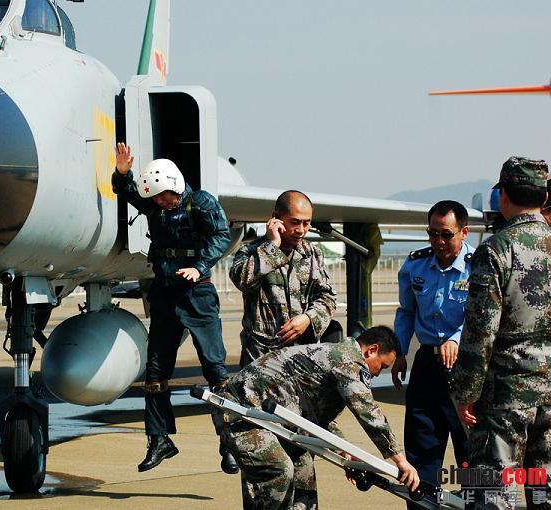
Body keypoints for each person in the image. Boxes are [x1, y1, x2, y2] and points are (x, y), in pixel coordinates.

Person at [112, 143, 238, 474]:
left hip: (197, 294)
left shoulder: (202, 203)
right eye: (154, 198)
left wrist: (200, 265)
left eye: (163, 197)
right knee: (155, 374)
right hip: (166, 294)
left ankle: (231, 442)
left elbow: (220, 235)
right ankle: (159, 440)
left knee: (216, 373)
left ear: (175, 186)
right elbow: (127, 193)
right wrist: (122, 172)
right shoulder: (156, 205)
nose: (159, 203)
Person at [220, 325, 420, 509]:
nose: (378, 373)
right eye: (382, 366)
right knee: (279, 471)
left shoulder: (338, 358)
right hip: (241, 409)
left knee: (303, 474)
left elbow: (319, 419)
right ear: (372, 350)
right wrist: (400, 460)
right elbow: (368, 411)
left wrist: (344, 453)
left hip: (271, 417)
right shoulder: (347, 359)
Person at [452, 156, 551, 509]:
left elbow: (481, 332)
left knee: (495, 490)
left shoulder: (497, 249)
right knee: (545, 488)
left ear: (504, 195)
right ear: (543, 197)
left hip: (506, 396)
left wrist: (465, 391)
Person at [392, 200, 473, 505]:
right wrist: (400, 351)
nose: (439, 242)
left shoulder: (478, 268)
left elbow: (485, 316)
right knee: (421, 449)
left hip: (467, 365)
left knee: (472, 454)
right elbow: (406, 312)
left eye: (446, 235)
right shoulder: (415, 265)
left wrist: (456, 339)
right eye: (433, 234)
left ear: (463, 232)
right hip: (427, 364)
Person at [229, 190, 339, 366]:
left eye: (306, 223)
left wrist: (308, 318)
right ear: (276, 218)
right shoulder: (251, 252)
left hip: (301, 357)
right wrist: (272, 247)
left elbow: (328, 297)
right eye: (294, 222)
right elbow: (242, 280)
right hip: (261, 360)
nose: (301, 230)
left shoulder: (312, 254)